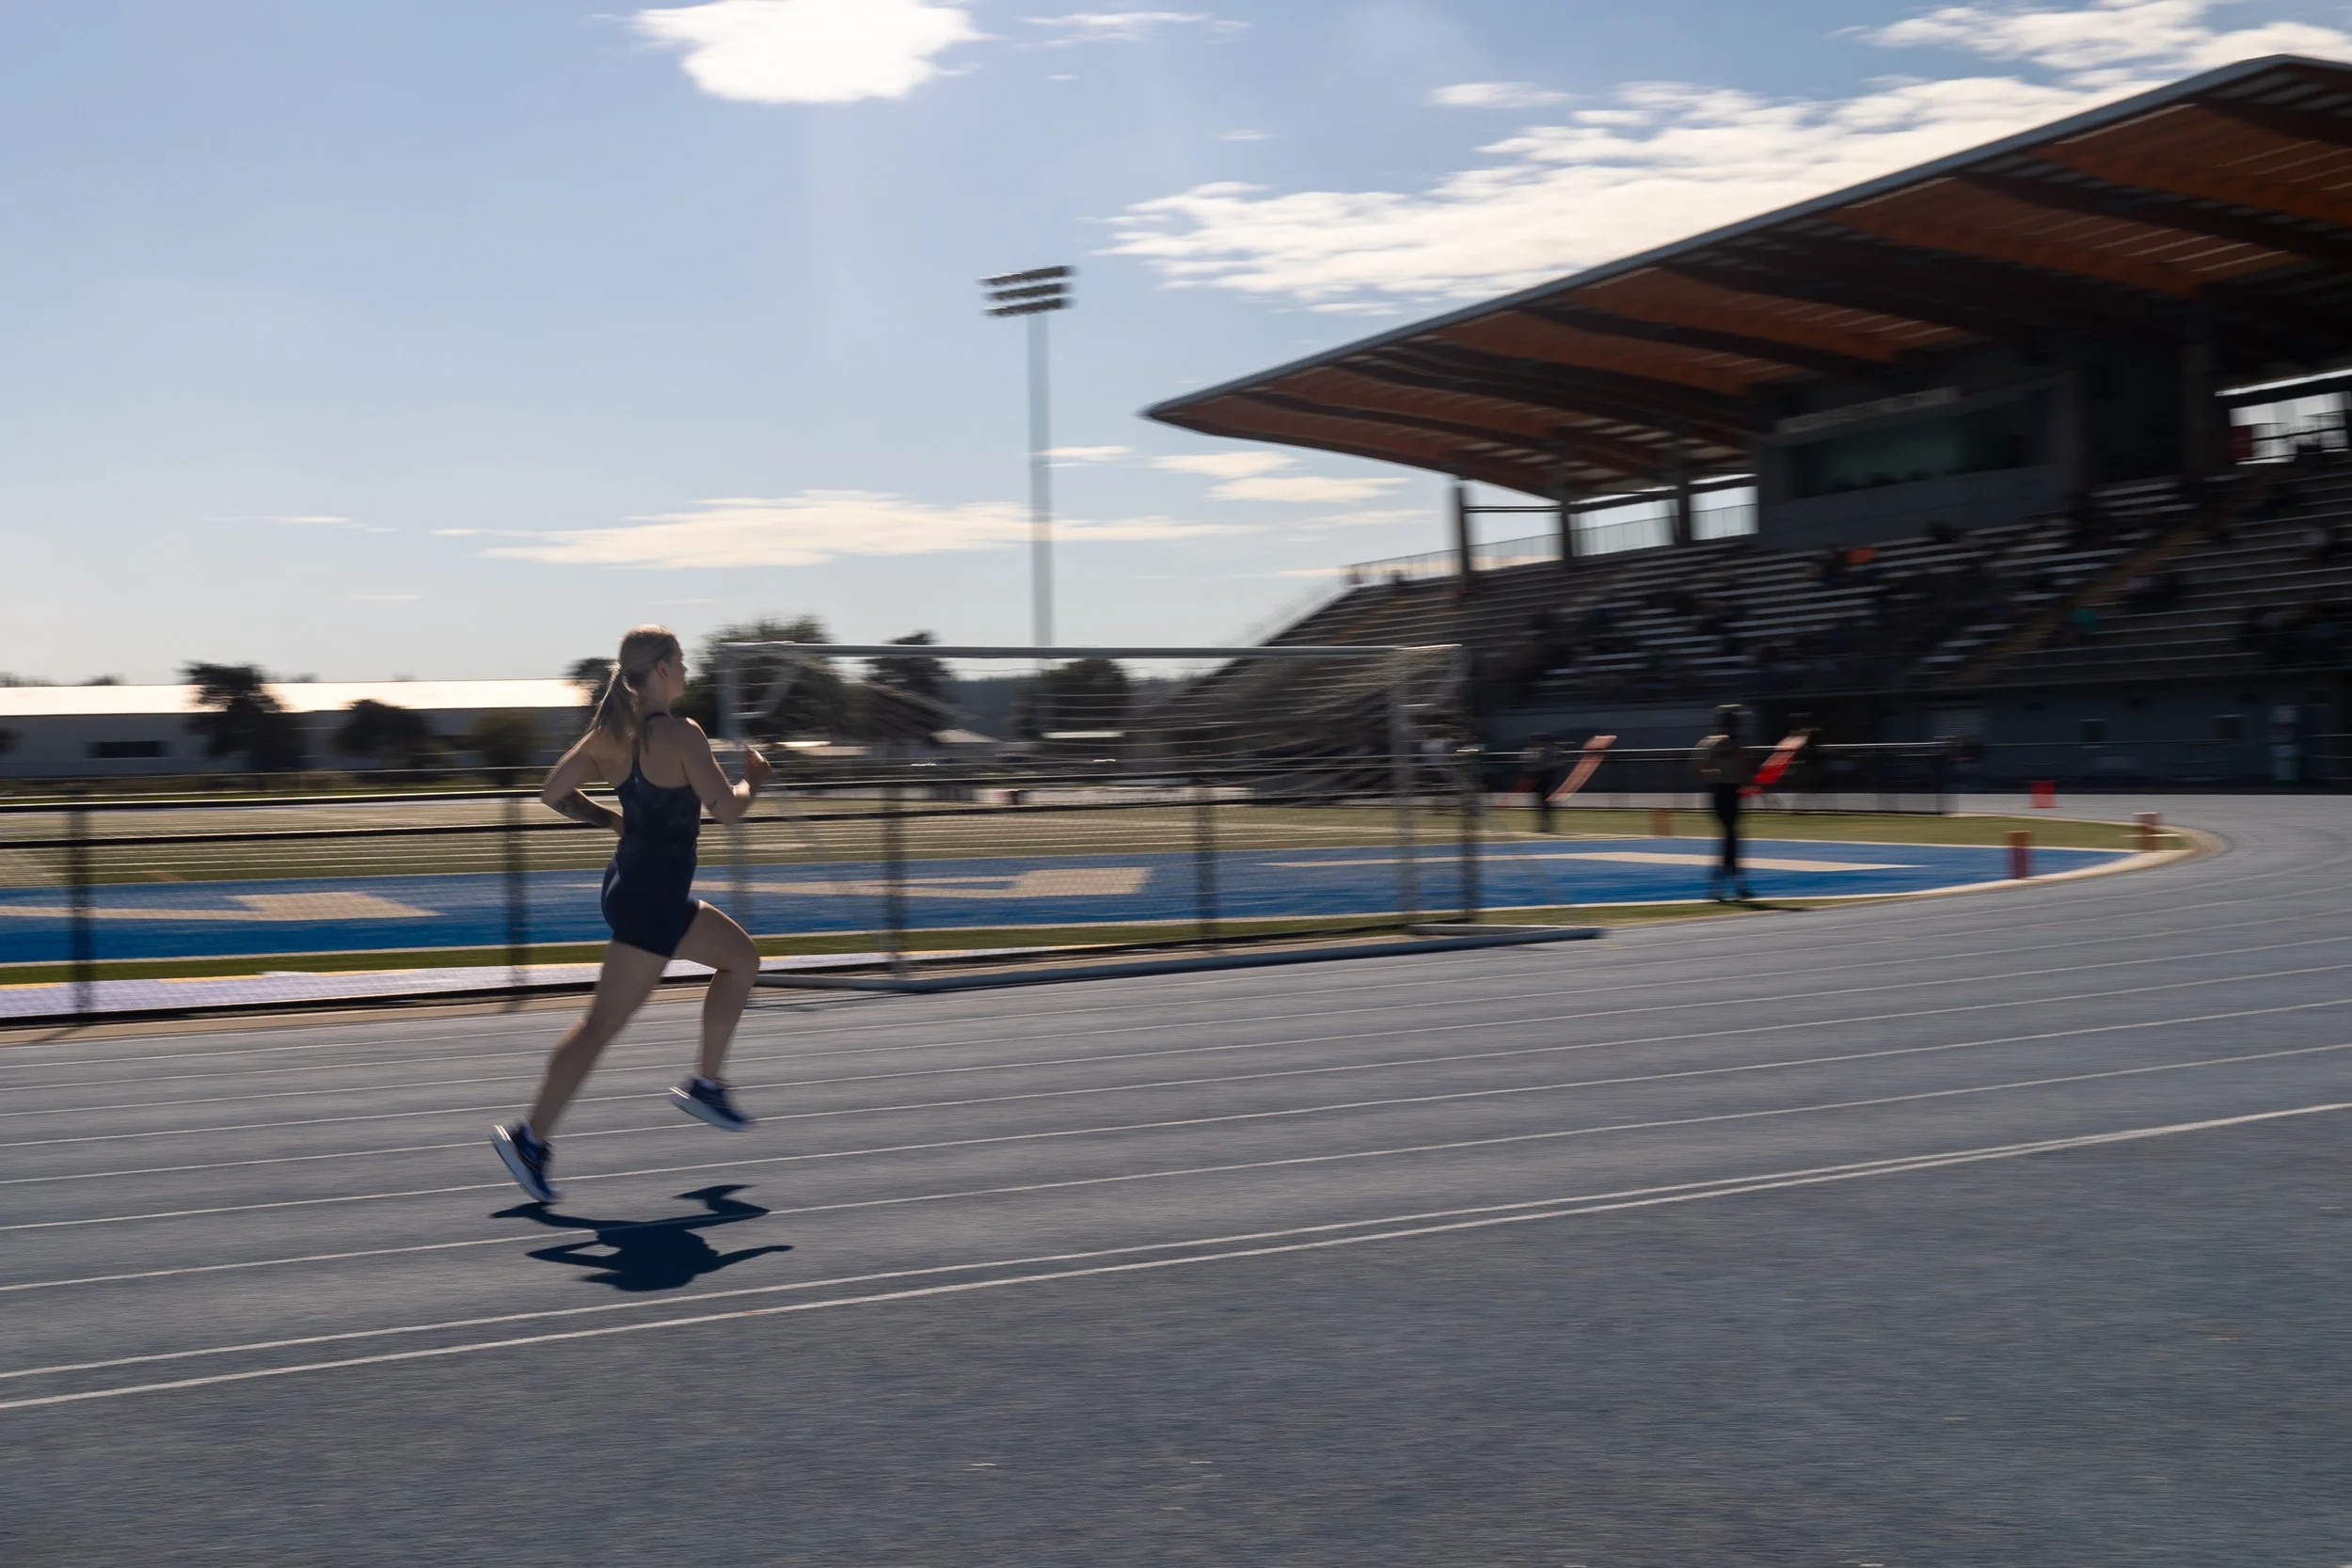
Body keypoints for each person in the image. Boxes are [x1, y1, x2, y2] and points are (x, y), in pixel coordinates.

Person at [493, 625, 773, 1203]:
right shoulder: (681, 735)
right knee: (600, 1027)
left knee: (742, 960)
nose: (689, 668)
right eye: (683, 659)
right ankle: (530, 1138)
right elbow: (727, 811)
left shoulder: (610, 734)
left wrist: (610, 819)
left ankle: (707, 1084)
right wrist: (755, 780)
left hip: (642, 889)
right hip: (650, 900)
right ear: (665, 668)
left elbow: (552, 792)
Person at [1692, 705, 1752, 902]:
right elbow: (1744, 767)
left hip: (1716, 791)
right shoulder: (1733, 743)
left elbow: (1698, 767)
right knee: (1730, 840)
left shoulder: (1707, 742)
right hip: (1730, 791)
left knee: (1729, 838)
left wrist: (1713, 772)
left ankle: (1730, 885)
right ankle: (1725, 886)